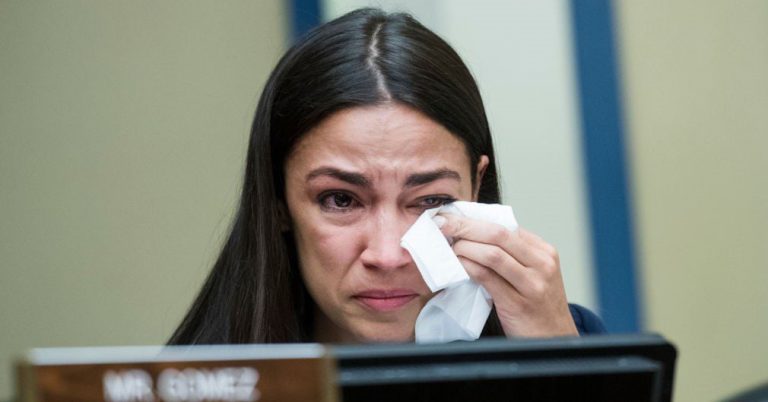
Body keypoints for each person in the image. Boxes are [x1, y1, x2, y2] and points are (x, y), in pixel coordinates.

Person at [169, 8, 605, 345]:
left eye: (432, 201)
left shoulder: (565, 338)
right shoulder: (188, 384)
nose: (388, 255)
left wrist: (565, 368)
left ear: (476, 188)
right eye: (341, 200)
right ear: (279, 200)